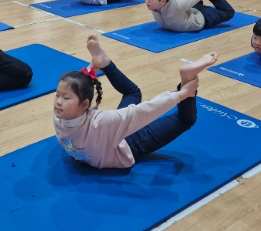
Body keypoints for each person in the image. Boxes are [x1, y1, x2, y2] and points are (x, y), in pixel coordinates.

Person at [53, 35, 217, 169]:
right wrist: (183, 93)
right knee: (138, 96)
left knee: (141, 97)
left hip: (122, 140)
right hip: (121, 142)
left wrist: (182, 94)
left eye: (65, 98)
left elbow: (145, 110)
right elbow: (143, 111)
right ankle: (105, 63)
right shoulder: (89, 120)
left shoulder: (93, 121)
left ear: (85, 104)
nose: (58, 102)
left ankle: (103, 61)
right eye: (58, 95)